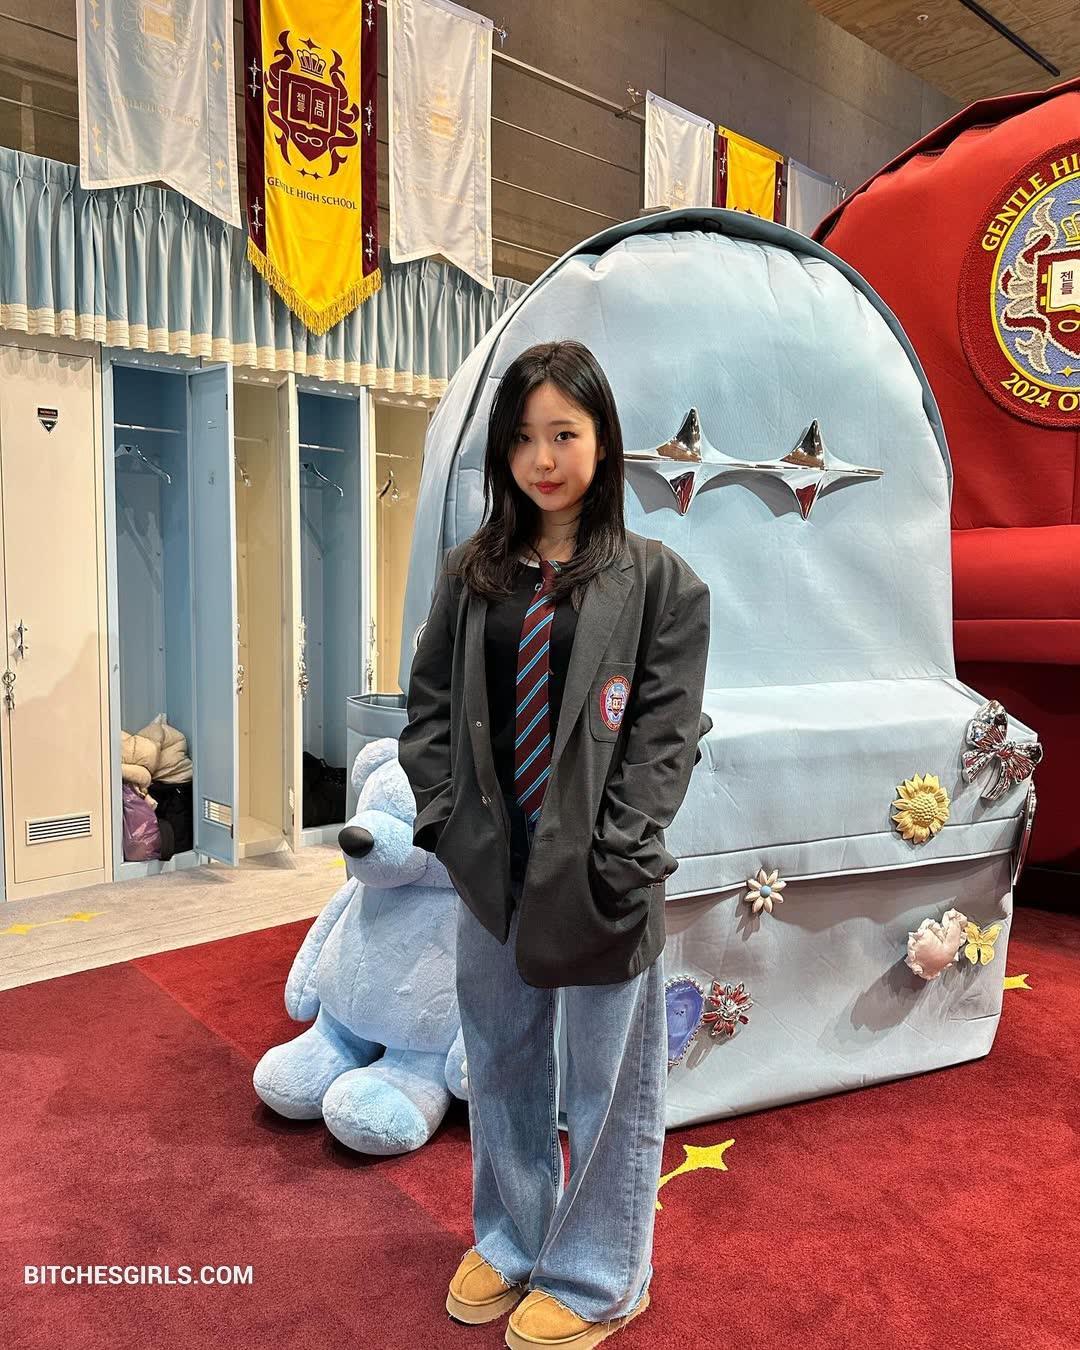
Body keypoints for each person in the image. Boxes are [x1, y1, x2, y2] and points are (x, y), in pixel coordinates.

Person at [398, 339, 711, 1350]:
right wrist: (444, 820)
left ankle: (602, 1274)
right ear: (504, 452)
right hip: (493, 868)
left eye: (564, 434)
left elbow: (666, 735)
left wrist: (622, 849)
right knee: (501, 1059)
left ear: (602, 442)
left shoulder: (660, 583)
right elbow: (429, 707)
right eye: (525, 438)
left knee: (607, 1084)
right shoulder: (473, 575)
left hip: (604, 869)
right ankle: (512, 1238)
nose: (544, 458)